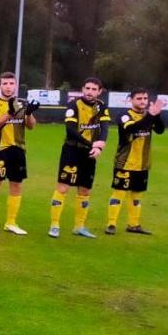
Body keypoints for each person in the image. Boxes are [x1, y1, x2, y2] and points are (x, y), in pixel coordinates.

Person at [50, 77, 111, 239]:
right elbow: (70, 130)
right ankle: (55, 224)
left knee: (85, 189)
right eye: (87, 88)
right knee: (63, 187)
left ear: (99, 91)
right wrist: (93, 145)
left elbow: (105, 127)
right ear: (83, 89)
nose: (90, 92)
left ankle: (79, 226)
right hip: (72, 150)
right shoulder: (73, 104)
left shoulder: (101, 106)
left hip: (89, 153)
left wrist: (100, 143)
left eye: (93, 89)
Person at [0, 72, 38, 236]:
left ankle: (11, 222)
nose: (8, 87)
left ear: (15, 85)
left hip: (18, 149)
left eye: (11, 83)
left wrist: (29, 113)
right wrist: (10, 112)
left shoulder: (23, 103)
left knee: (16, 185)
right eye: (5, 84)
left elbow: (31, 126)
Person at [106, 89, 164, 236]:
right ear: (130, 100)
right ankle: (111, 224)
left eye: (145, 98)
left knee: (137, 194)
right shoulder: (124, 116)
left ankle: (133, 224)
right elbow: (133, 128)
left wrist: (156, 116)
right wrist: (151, 115)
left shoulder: (147, 115)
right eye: (139, 98)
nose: (143, 101)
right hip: (125, 162)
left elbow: (160, 130)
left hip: (143, 162)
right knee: (119, 192)